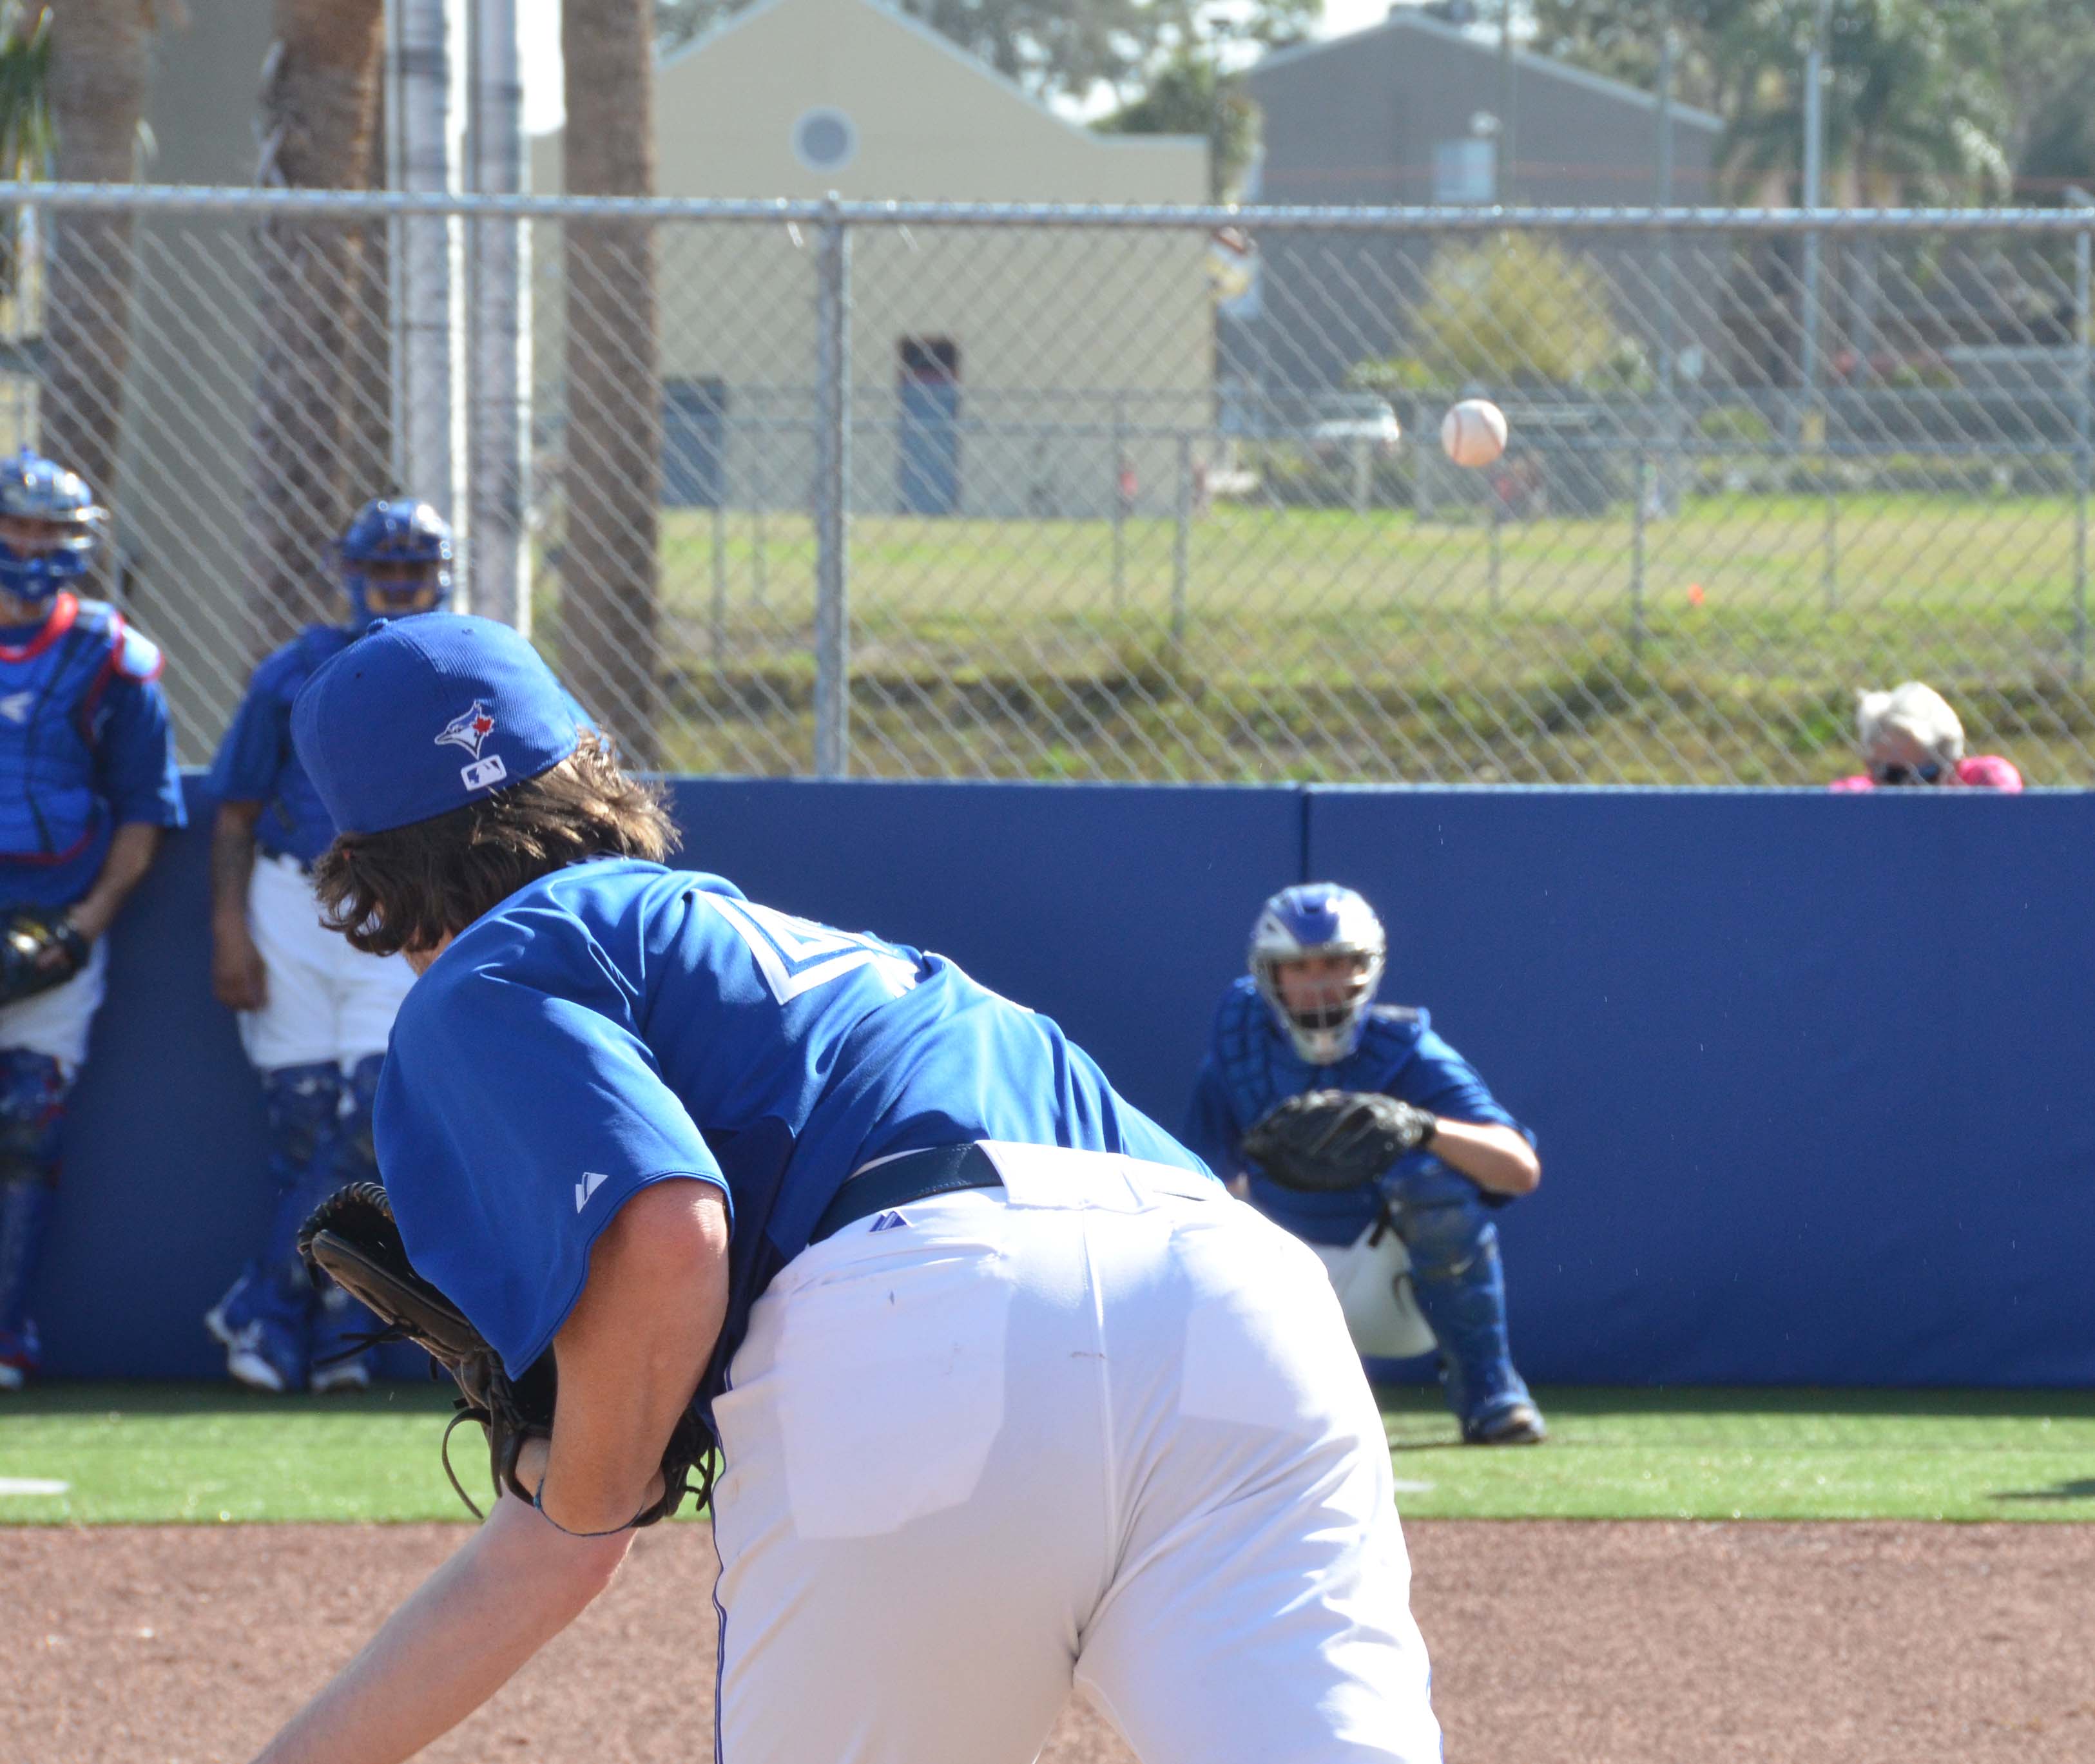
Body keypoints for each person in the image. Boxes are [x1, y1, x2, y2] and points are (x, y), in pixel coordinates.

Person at [244, 611, 1442, 1764]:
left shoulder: (496, 962)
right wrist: (579, 1500)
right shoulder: (854, 965)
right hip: (1240, 1303)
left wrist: (592, 1481)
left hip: (922, 1309)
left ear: (366, 870)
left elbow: (665, 1232)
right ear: (592, 774)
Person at [203, 499, 456, 1394]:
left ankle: (265, 1301)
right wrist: (228, 924)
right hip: (290, 897)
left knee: (369, 1115)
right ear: (346, 570)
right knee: (300, 1120)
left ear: (442, 570)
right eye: (382, 565)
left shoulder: (455, 664)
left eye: (414, 565)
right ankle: (302, 1333)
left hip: (401, 906)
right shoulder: (289, 672)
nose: (396, 582)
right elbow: (232, 810)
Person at [1184, 884, 1546, 1446]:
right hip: (1280, 1281)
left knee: (1432, 1185)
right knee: (1197, 1227)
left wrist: (1420, 1126)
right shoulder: (1239, 1049)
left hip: (1388, 1287)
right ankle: (1212, 1405)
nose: (1320, 982)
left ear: (1367, 968)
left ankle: (1489, 1393)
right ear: (1268, 974)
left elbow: (1517, 1169)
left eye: (1336, 963)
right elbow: (1192, 1183)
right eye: (1299, 968)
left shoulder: (1406, 1052)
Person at [0, 449, 184, 1391]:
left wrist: (84, 924)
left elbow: (145, 808)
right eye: (15, 527)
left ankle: (4, 1336)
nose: (29, 549)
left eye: (48, 533)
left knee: (28, 1130)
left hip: (53, 926)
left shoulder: (113, 658)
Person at [1829, 681, 2023, 792]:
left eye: (1925, 775)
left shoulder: (1984, 780)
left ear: (1955, 766)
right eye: (1893, 776)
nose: (1908, 790)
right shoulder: (1852, 796)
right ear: (1869, 766)